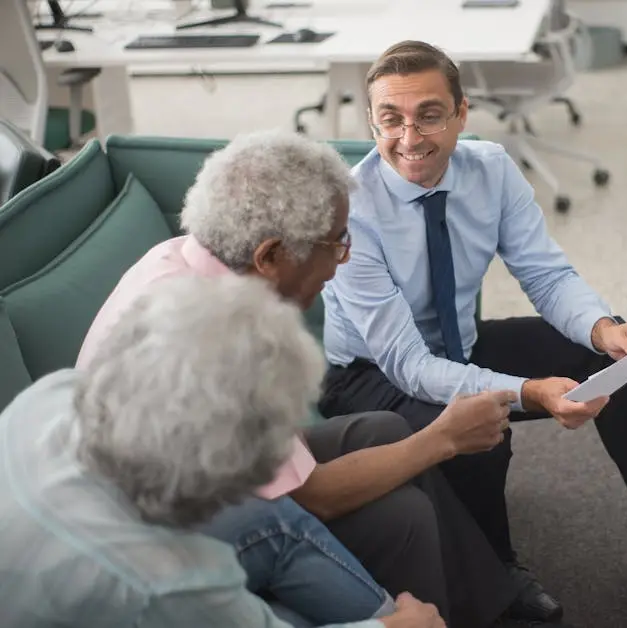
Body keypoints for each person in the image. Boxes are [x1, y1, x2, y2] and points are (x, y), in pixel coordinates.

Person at [76, 129, 563, 628]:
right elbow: (315, 497)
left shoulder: (181, 258)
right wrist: (445, 438)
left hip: (197, 468)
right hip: (166, 527)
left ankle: (483, 603)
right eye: (336, 243)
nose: (340, 262)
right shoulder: (222, 338)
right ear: (269, 256)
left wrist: (431, 438)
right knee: (404, 515)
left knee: (382, 429)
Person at [319, 40, 627, 612]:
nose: (410, 139)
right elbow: (410, 365)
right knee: (481, 430)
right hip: (371, 376)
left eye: (430, 115)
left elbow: (545, 274)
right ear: (372, 120)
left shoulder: (490, 169)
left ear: (462, 113)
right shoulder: (351, 210)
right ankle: (498, 575)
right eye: (390, 119)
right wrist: (525, 393)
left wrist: (601, 328)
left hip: (458, 346)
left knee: (616, 359)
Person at [0, 273, 446, 628]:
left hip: (62, 550)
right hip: (102, 581)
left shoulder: (52, 395)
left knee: (270, 515)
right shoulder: (171, 581)